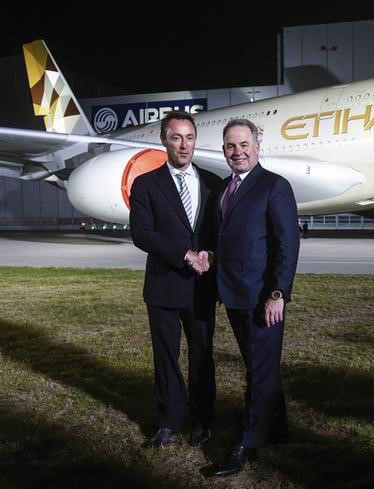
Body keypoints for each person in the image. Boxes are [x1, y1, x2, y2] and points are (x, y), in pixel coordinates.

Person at [204, 119, 299, 478]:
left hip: (263, 297)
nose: (237, 152)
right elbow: (223, 238)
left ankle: (248, 441)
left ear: (257, 147)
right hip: (233, 294)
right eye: (230, 146)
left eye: (244, 145)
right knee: (259, 365)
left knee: (258, 372)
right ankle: (278, 428)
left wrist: (278, 294)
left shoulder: (275, 186)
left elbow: (287, 245)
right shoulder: (224, 190)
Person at [129, 110, 222, 449]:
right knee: (166, 355)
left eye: (190, 137)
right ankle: (170, 418)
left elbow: (219, 232)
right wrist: (184, 254)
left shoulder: (213, 183)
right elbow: (141, 233)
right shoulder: (146, 184)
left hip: (201, 287)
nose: (184, 145)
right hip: (164, 283)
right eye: (176, 137)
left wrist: (210, 255)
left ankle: (202, 419)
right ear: (164, 141)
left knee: (202, 354)